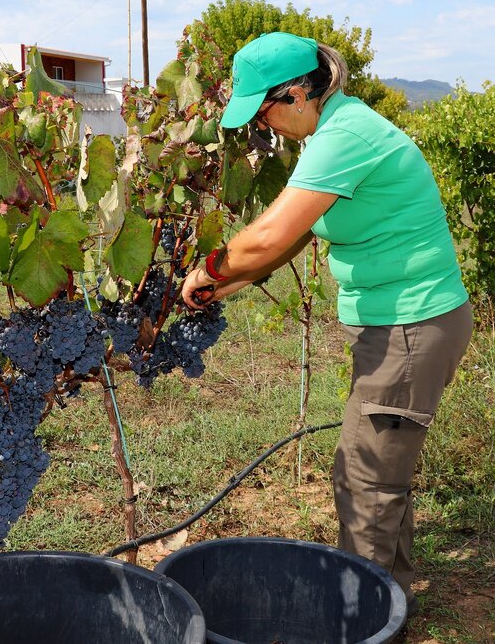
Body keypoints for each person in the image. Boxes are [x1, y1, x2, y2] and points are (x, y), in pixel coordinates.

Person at [181, 32, 473, 614]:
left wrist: (208, 267)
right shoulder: (336, 129)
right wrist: (228, 284)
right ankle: (393, 604)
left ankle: (360, 619)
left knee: (364, 482)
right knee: (381, 477)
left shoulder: (344, 136)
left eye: (263, 113)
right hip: (401, 327)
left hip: (410, 330)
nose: (264, 128)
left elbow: (269, 235)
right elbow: (294, 241)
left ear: (295, 93)